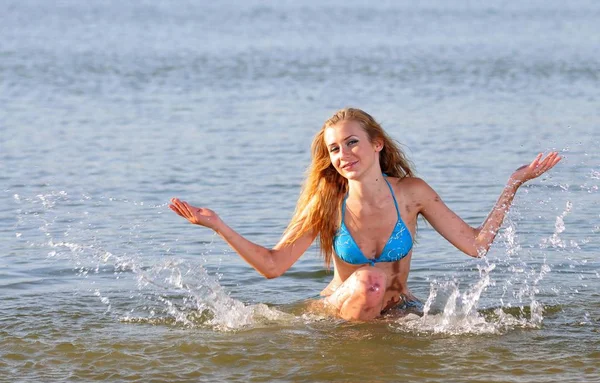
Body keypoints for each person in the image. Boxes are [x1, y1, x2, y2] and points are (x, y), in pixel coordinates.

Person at [169, 108, 561, 321]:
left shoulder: (412, 194)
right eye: (335, 149)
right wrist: (217, 225)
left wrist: (513, 184)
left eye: (352, 142)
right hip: (340, 312)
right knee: (370, 278)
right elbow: (273, 266)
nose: (344, 155)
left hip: (398, 310)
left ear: (377, 144)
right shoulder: (326, 203)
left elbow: (476, 246)